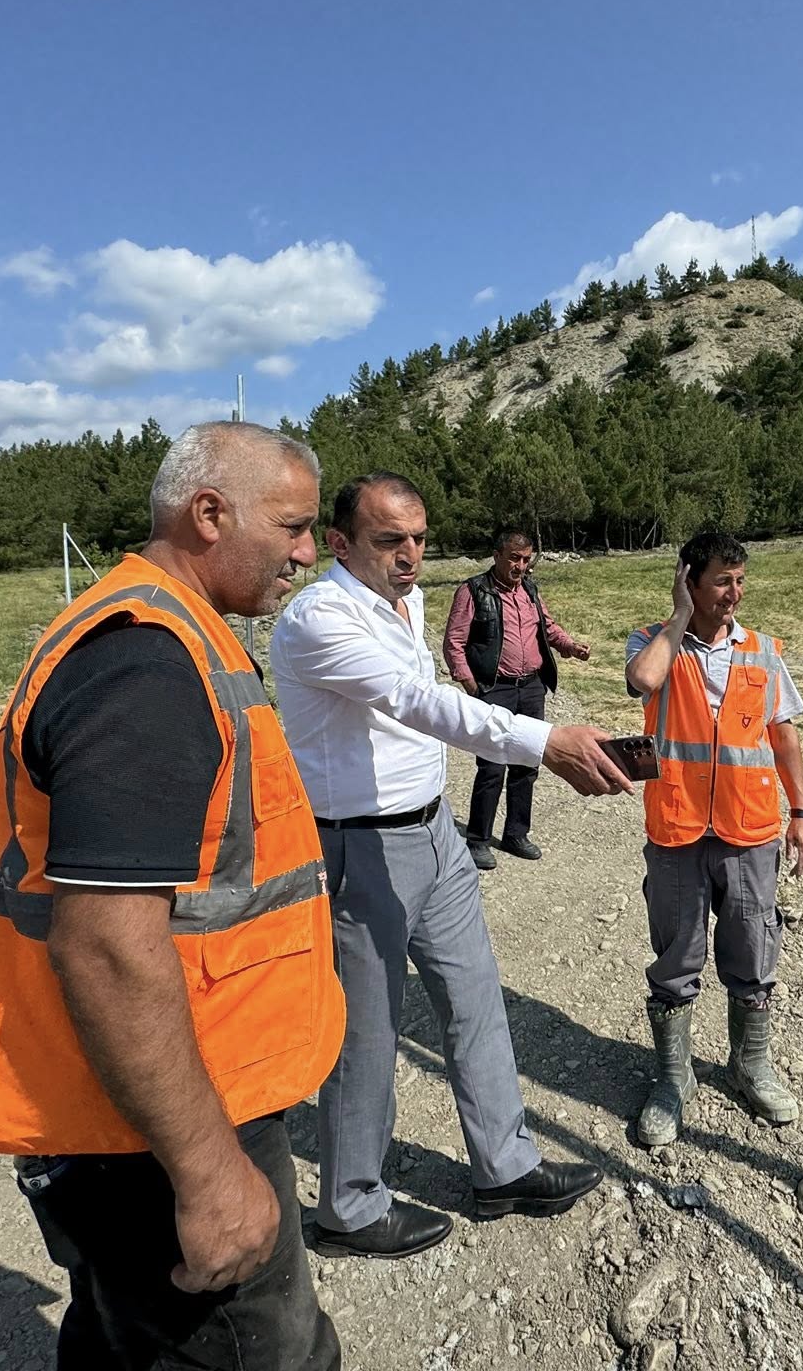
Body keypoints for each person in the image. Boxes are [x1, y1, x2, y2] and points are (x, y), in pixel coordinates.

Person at [0, 422, 344, 1370]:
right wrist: (208, 1173)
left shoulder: (171, 630)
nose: (310, 552)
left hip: (147, 1099)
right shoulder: (149, 661)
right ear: (208, 514)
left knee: (122, 1337)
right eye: (296, 526)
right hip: (164, 1122)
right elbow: (107, 943)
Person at [269, 472, 629, 1259]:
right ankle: (351, 1208)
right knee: (367, 1032)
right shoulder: (318, 620)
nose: (410, 556)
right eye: (389, 541)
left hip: (433, 834)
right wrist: (546, 742)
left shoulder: (407, 600)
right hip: (360, 847)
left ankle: (503, 1166)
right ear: (340, 544)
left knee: (475, 1002)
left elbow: (422, 700)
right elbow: (416, 700)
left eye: (420, 539)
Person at [622, 531, 803, 1147]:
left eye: (740, 581)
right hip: (677, 828)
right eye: (721, 582)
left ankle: (750, 1065)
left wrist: (801, 812)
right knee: (676, 958)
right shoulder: (655, 643)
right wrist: (678, 617)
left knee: (753, 952)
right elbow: (639, 684)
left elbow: (783, 737)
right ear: (689, 583)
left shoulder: (761, 652)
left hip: (750, 829)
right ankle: (673, 1081)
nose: (734, 594)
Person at [442, 524, 592, 867]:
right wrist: (472, 687)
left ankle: (515, 834)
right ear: (497, 556)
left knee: (527, 763)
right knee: (492, 766)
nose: (521, 566)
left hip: (531, 687)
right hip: (495, 689)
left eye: (526, 560)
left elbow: (548, 628)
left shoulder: (530, 590)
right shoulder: (474, 591)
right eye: (514, 558)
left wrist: (570, 646)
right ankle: (478, 838)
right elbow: (454, 642)